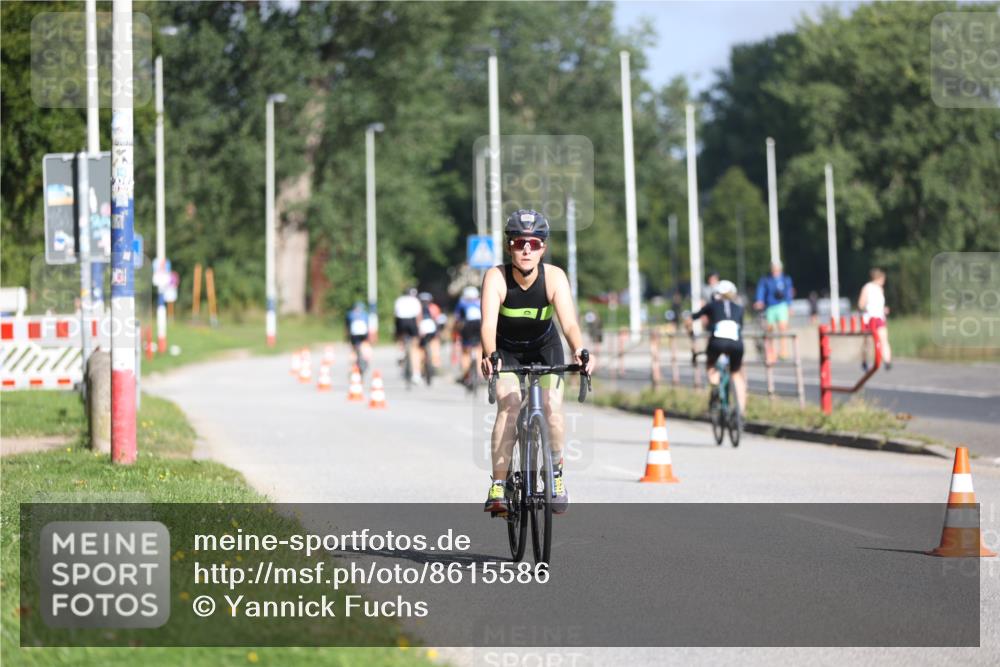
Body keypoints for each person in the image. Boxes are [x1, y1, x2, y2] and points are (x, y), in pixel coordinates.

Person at [480, 210, 595, 515]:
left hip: (546, 348)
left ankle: (555, 475)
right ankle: (499, 485)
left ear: (543, 247)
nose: (527, 249)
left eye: (534, 242)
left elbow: (569, 323)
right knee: (509, 405)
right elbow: (488, 326)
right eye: (519, 242)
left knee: (553, 408)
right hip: (507, 351)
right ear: (510, 247)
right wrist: (490, 355)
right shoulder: (496, 277)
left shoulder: (554, 276)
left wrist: (580, 350)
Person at [691, 280, 747, 417]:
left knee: (711, 364)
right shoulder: (739, 308)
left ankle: (715, 385)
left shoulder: (712, 305)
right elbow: (740, 327)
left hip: (717, 342)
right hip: (736, 344)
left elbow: (695, 316)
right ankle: (741, 410)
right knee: (736, 374)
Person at [754, 261, 794, 363]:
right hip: (770, 306)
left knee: (782, 327)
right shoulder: (766, 280)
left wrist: (789, 306)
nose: (775, 271)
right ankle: (771, 352)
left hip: (782, 305)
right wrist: (759, 301)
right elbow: (761, 291)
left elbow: (789, 293)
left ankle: (783, 350)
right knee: (769, 329)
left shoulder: (785, 279)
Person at [859, 268, 892, 371]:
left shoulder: (880, 289)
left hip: (879, 318)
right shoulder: (867, 288)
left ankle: (887, 361)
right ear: (879, 278)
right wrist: (868, 308)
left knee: (884, 340)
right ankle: (865, 361)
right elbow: (861, 304)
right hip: (869, 318)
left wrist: (883, 309)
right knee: (867, 342)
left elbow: (879, 305)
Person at [454, 285, 483, 386]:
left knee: (465, 351)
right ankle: (479, 373)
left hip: (467, 325)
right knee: (479, 349)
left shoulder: (462, 302)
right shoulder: (480, 301)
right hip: (479, 324)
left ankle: (466, 375)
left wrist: (456, 332)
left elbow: (457, 320)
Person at [393, 288, 422, 379]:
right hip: (412, 321)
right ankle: (416, 374)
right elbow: (419, 316)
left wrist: (396, 330)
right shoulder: (415, 300)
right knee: (415, 347)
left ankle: (401, 351)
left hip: (401, 321)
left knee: (400, 337)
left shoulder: (399, 300)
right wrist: (419, 329)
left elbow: (395, 314)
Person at [345, 301, 371, 373]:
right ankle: (366, 359)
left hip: (354, 334)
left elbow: (347, 327)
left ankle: (353, 364)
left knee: (353, 348)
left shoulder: (350, 314)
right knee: (364, 346)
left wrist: (346, 337)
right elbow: (367, 326)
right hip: (363, 333)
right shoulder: (365, 314)